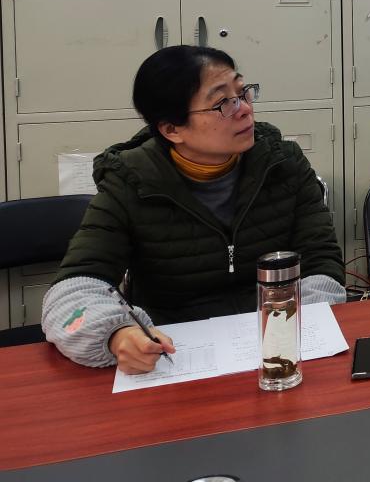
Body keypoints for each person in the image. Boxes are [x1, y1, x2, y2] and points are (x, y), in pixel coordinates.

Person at [41, 46, 345, 373]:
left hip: (278, 348)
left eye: (242, 92)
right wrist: (116, 333)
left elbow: (320, 261)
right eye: (223, 103)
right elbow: (72, 293)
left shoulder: (282, 164)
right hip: (175, 358)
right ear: (172, 129)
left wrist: (297, 329)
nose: (245, 109)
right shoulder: (130, 183)